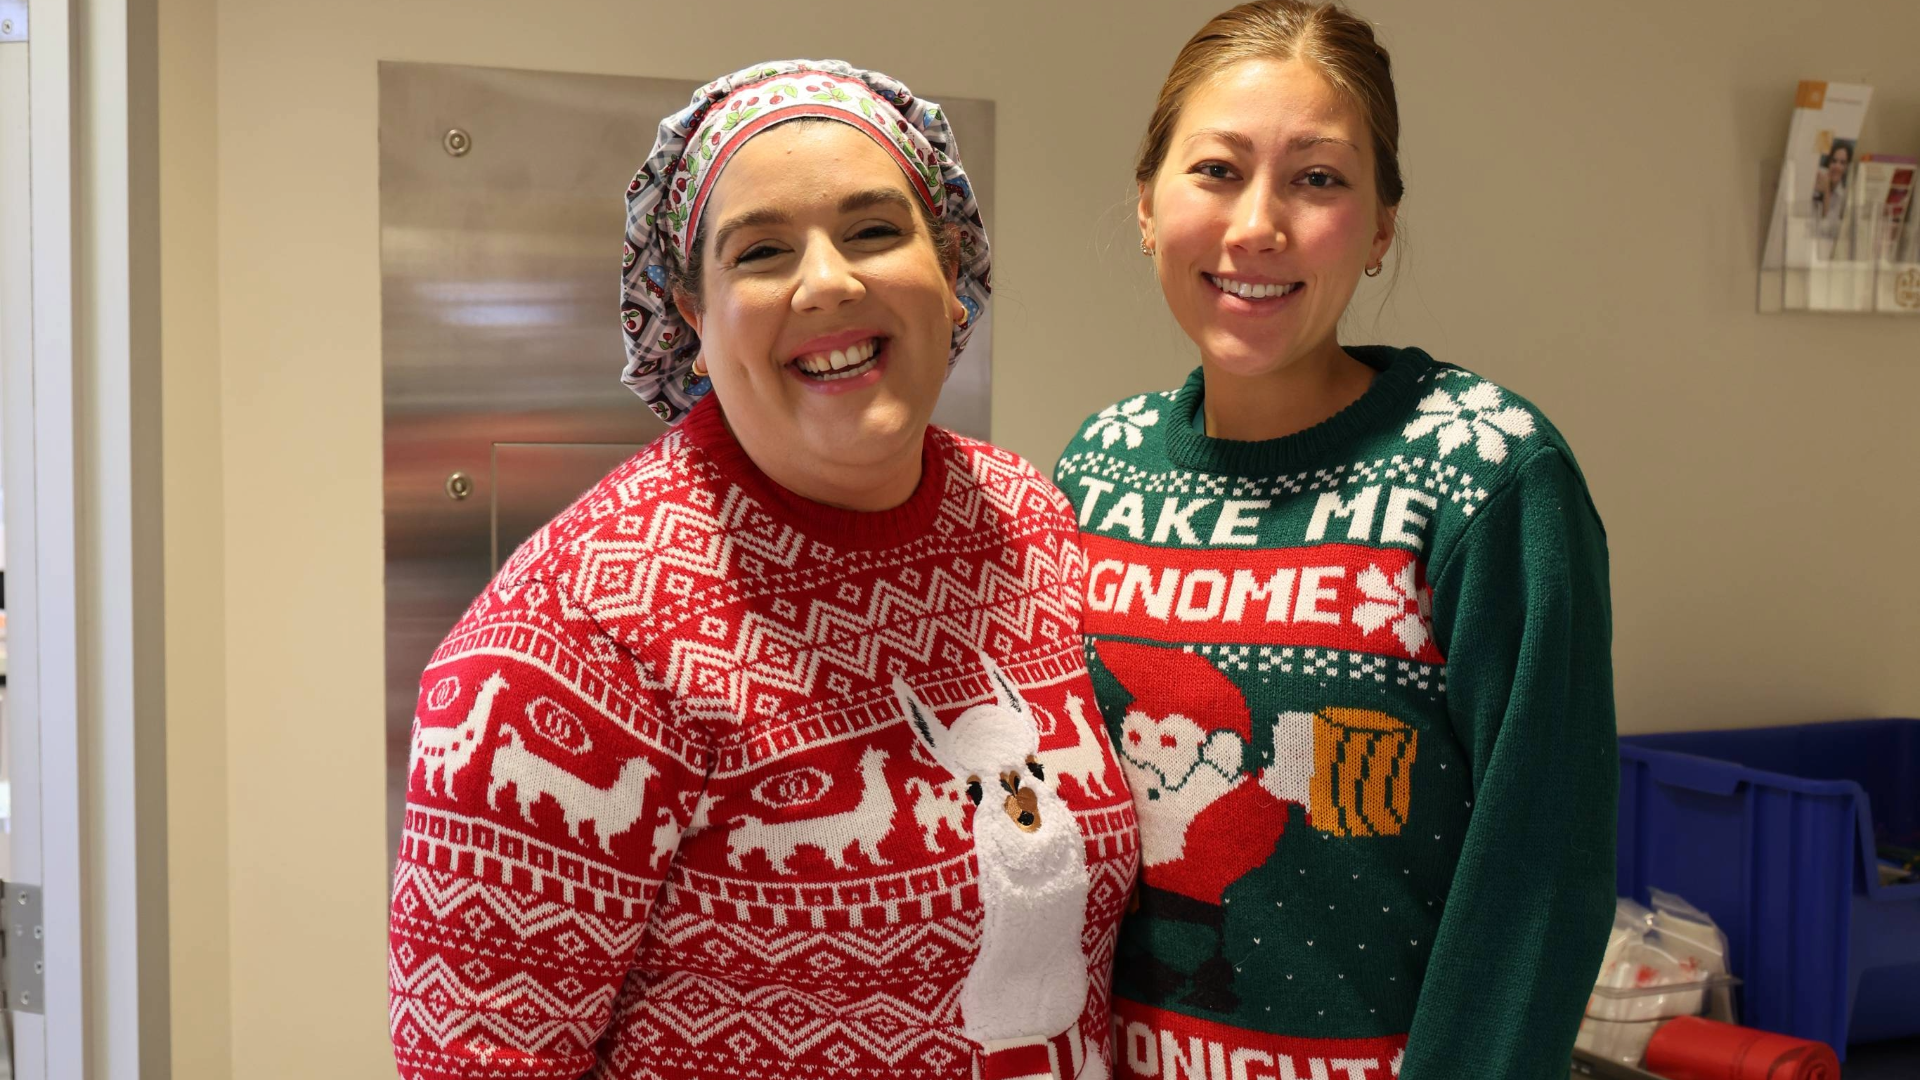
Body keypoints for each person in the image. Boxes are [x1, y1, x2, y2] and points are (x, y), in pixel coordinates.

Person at [389, 59, 1137, 1080]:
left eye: (875, 231)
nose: (827, 280)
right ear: (691, 315)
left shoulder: (1029, 523)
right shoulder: (571, 638)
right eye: (762, 251)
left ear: (951, 269)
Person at [1054, 5, 1617, 1078]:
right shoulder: (1098, 463)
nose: (1257, 224)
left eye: (1318, 179)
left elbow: (1541, 876)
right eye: (1216, 170)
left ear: (1381, 225)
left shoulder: (1486, 471)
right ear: (1146, 203)